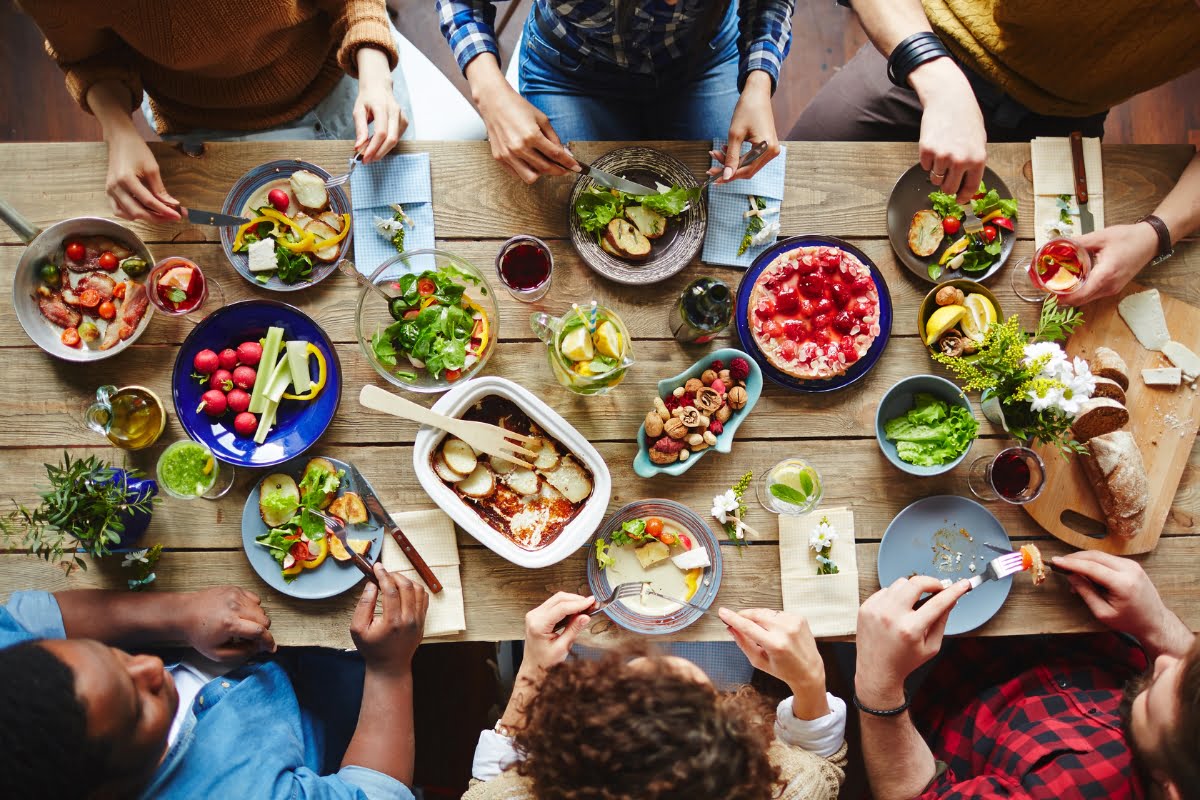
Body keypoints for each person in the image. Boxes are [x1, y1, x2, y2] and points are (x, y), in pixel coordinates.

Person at [790, 0, 1200, 305]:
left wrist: (1155, 234)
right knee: (793, 186)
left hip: (1066, 113)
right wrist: (938, 78)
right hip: (936, 43)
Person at [0, 564, 428, 799]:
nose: (148, 666)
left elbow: (30, 618)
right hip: (339, 702)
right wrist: (389, 668)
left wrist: (178, 615)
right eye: (137, 705)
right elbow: (376, 793)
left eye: (111, 655)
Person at [16, 0, 412, 223]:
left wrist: (375, 76)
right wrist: (118, 130)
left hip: (344, 72)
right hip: (205, 127)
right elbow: (88, 58)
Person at [854, 551, 1198, 799]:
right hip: (1081, 646)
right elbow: (1177, 657)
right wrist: (1159, 626)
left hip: (941, 698)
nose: (1166, 661)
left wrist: (878, 685)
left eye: (1154, 696)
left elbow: (918, 795)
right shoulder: (1176, 670)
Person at [463, 592, 847, 799]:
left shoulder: (509, 795)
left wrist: (532, 671)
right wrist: (809, 682)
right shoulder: (793, 790)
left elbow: (488, 786)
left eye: (617, 680)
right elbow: (821, 767)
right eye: (704, 696)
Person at [436, 0, 794, 184]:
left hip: (703, 62)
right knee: (574, 206)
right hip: (569, 73)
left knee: (727, 211)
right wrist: (489, 91)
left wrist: (758, 82)